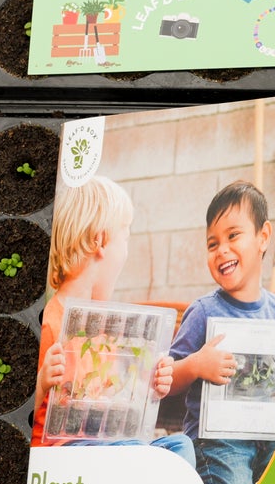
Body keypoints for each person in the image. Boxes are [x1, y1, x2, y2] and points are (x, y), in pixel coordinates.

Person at [167, 180, 275, 484]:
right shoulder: (204, 311)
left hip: (265, 437)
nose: (222, 250)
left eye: (233, 236)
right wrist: (195, 365)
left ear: (263, 237)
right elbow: (166, 378)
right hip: (216, 443)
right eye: (212, 243)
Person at [36, 175, 185, 460]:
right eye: (125, 238)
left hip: (106, 446)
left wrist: (150, 386)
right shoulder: (50, 323)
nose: (126, 251)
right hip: (60, 455)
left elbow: (112, 401)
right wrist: (42, 381)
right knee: (136, 453)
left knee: (179, 448)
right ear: (101, 240)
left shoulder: (104, 332)